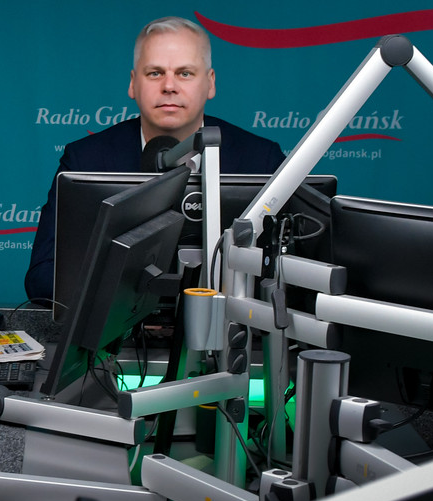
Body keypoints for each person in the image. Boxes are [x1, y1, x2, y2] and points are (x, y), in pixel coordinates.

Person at [25, 16, 287, 302]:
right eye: (155, 73)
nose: (169, 86)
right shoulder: (85, 159)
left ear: (210, 84)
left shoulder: (262, 159)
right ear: (133, 84)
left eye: (185, 73)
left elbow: (290, 277)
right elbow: (43, 277)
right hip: (116, 337)